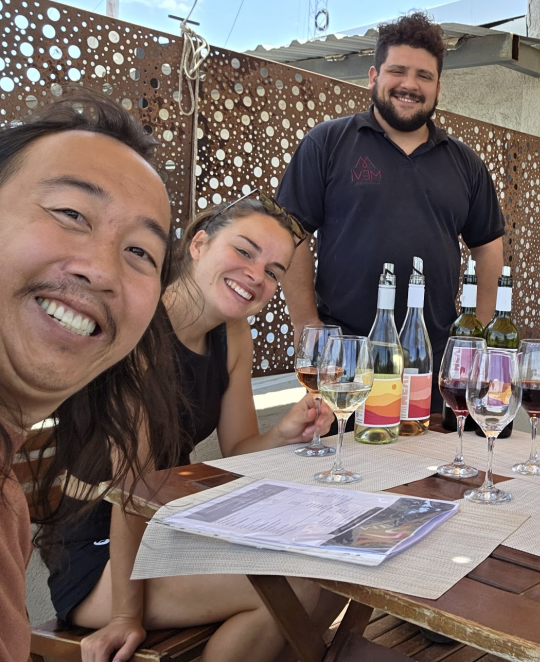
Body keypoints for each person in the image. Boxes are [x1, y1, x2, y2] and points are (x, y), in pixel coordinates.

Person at [46, 193, 336, 662]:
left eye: (273, 271)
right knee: (296, 586)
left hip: (167, 524)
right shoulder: (140, 330)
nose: (256, 275)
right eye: (244, 251)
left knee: (338, 568)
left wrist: (284, 431)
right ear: (199, 244)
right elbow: (131, 490)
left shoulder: (232, 333)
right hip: (99, 550)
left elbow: (239, 448)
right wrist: (124, 616)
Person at [0, 95, 180, 662]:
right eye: (71, 214)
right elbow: (130, 490)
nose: (101, 270)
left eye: (139, 251)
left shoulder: (8, 501)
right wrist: (126, 614)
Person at [276, 11, 505, 412]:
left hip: (432, 361)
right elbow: (289, 236)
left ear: (438, 88)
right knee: (343, 451)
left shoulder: (466, 164)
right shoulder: (327, 143)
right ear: (373, 76)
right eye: (397, 71)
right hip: (345, 357)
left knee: (431, 454)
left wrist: (476, 337)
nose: (410, 85)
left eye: (424, 76)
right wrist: (307, 326)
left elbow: (488, 249)